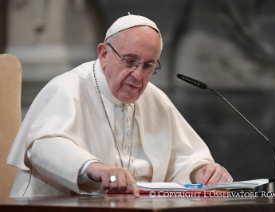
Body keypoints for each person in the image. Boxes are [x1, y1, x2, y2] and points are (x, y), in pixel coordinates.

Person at [7, 14, 232, 198]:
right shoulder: (68, 88)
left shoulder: (155, 99)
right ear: (104, 54)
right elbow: (43, 146)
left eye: (148, 66)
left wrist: (201, 172)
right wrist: (96, 168)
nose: (138, 75)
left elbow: (183, 158)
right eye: (129, 61)